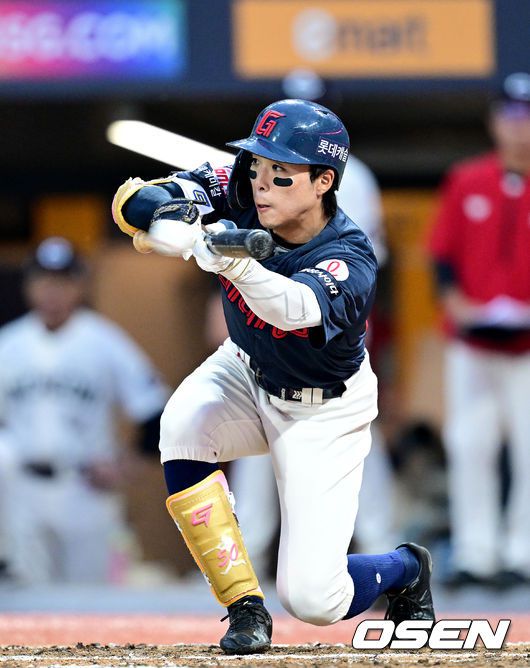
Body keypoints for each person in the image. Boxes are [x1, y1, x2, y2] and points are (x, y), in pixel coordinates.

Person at [112, 98, 435, 654]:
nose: (262, 184)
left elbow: (293, 309)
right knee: (182, 426)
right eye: (258, 165)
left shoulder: (351, 254)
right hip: (246, 366)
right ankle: (244, 607)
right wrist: (170, 213)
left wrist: (230, 261)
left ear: (323, 182)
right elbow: (134, 200)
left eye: (280, 173)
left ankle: (405, 567)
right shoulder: (241, 185)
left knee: (314, 599)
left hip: (324, 407)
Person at [227, 153, 396, 582]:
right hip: (269, 311)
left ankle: (381, 548)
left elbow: (363, 266)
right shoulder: (261, 167)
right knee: (255, 429)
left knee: (355, 435)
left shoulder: (354, 178)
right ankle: (242, 560)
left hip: (330, 317)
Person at [0, 237, 169, 584]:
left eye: (62, 281)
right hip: (22, 490)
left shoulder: (104, 341)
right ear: (29, 286)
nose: (52, 291)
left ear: (79, 286)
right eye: (43, 280)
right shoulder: (9, 343)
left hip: (85, 488)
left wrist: (126, 466)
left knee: (90, 598)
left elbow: (156, 414)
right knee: (27, 600)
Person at [427, 72, 530, 589]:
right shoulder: (467, 179)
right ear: (495, 122)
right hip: (473, 341)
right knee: (470, 444)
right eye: (511, 115)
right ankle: (476, 553)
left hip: (527, 346)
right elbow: (441, 256)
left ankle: (522, 553)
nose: (519, 126)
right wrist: (456, 303)